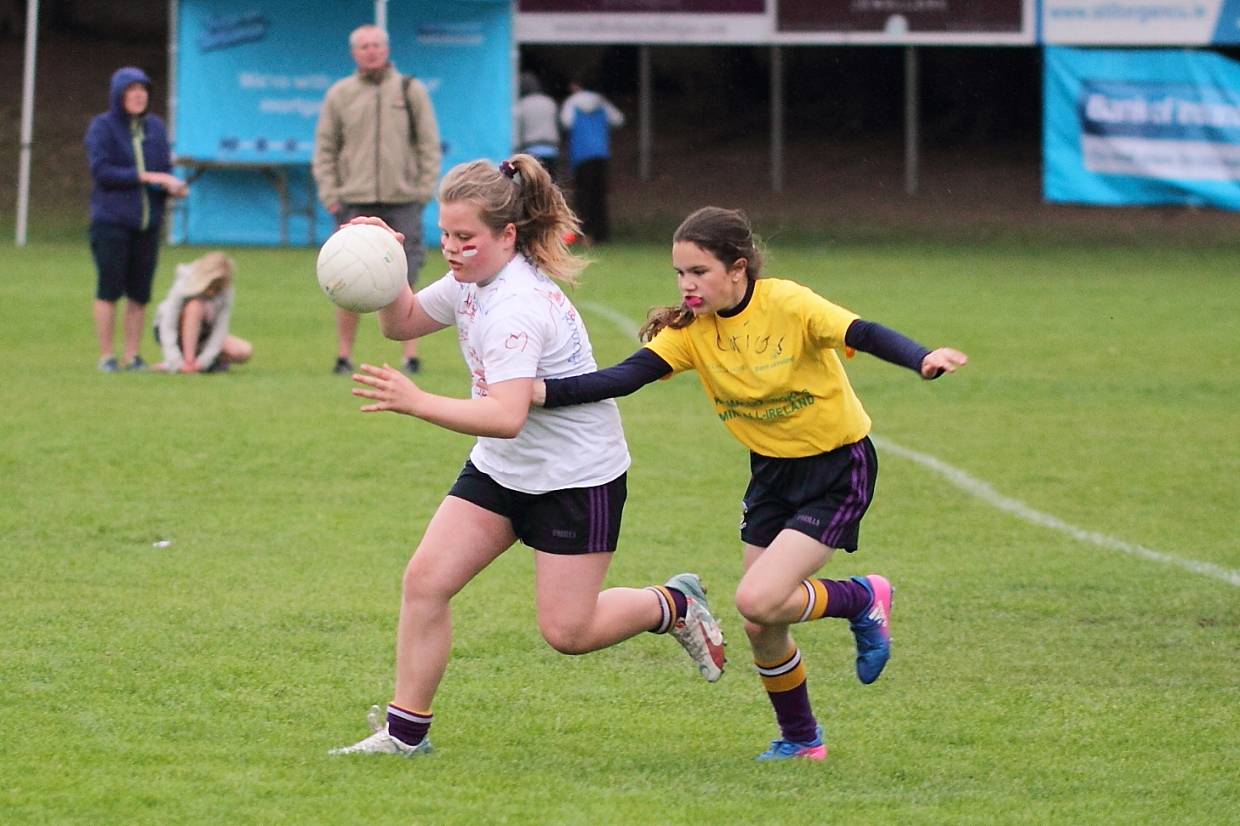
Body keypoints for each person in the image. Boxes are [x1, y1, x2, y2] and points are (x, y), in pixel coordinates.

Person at [536, 207, 969, 761]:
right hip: (771, 473)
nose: (687, 285)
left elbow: (860, 331)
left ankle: (862, 597)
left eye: (699, 271)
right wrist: (543, 392)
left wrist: (921, 357)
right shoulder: (691, 332)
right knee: (758, 621)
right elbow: (624, 376)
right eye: (679, 273)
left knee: (759, 598)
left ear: (738, 269)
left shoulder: (787, 303)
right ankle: (801, 740)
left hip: (837, 467)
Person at [329, 155, 727, 757]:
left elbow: (506, 415)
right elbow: (402, 321)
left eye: (466, 238)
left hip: (577, 477)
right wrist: (388, 270)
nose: (453, 250)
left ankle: (672, 604)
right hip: (502, 470)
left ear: (506, 235)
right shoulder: (471, 281)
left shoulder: (515, 306)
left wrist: (415, 401)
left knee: (568, 632)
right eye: (444, 236)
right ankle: (405, 735)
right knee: (425, 581)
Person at [312, 23, 442, 377]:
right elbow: (325, 148)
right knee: (345, 274)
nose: (371, 51)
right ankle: (343, 355)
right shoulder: (340, 94)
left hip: (403, 200)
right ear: (354, 53)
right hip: (354, 199)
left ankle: (410, 355)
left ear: (387, 49)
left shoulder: (410, 89)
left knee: (406, 274)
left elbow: (429, 144)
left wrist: (422, 190)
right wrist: (331, 194)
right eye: (364, 46)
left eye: (376, 45)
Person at [85, 66, 187, 372]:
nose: (138, 96)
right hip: (111, 222)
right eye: (131, 90)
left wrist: (170, 188)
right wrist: (147, 176)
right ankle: (106, 356)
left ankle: (132, 355)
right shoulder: (102, 127)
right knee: (109, 288)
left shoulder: (154, 128)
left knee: (140, 292)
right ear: (118, 95)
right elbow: (102, 172)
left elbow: (160, 171)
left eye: (143, 90)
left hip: (148, 224)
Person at [151, 251, 252, 374]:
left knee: (243, 352)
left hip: (203, 332)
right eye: (210, 286)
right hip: (171, 330)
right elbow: (168, 324)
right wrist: (174, 359)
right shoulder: (185, 280)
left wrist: (204, 361)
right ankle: (187, 361)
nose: (211, 293)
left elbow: (219, 329)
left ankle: (196, 363)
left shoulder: (227, 290)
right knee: (195, 306)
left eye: (217, 289)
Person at [559, 80, 624, 244]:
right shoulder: (601, 102)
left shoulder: (571, 102)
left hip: (581, 154)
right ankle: (601, 233)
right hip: (601, 154)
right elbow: (619, 120)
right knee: (599, 194)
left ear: (576, 86)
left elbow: (565, 122)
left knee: (583, 195)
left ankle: (584, 233)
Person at [514, 72, 561, 181]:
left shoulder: (521, 105)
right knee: (550, 184)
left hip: (530, 152)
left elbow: (518, 130)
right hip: (551, 150)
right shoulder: (550, 102)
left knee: (532, 186)